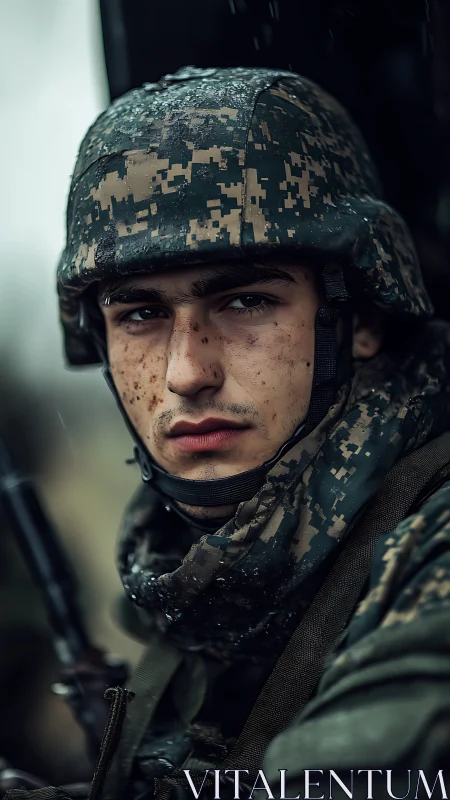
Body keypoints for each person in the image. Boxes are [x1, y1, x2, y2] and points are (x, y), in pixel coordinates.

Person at [7, 66, 450, 800]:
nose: (186, 373)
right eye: (140, 315)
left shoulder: (430, 549)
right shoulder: (206, 574)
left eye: (245, 300)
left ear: (360, 317)